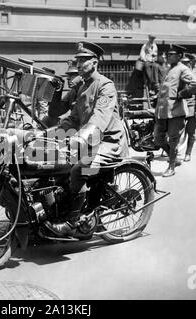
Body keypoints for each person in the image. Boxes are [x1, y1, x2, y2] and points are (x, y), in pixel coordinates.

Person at [45, 41, 128, 236]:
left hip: (108, 142)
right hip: (87, 141)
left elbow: (100, 117)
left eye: (83, 60)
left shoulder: (106, 86)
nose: (78, 64)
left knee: (80, 168)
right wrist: (56, 92)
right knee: (51, 159)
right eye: (77, 60)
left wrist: (80, 138)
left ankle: (72, 222)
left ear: (95, 62)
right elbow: (65, 115)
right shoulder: (80, 87)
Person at [154, 44, 196, 177]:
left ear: (179, 56)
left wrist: (182, 94)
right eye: (167, 55)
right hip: (162, 111)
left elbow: (195, 84)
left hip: (175, 111)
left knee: (173, 140)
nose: (168, 56)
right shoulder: (170, 69)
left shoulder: (183, 69)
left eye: (171, 54)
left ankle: (171, 166)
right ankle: (174, 157)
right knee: (158, 139)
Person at [41, 60, 80, 127]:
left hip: (85, 128)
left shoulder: (89, 90)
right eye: (68, 75)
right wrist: (58, 90)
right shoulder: (72, 92)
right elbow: (53, 113)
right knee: (47, 120)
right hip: (73, 125)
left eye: (72, 75)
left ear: (81, 76)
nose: (68, 78)